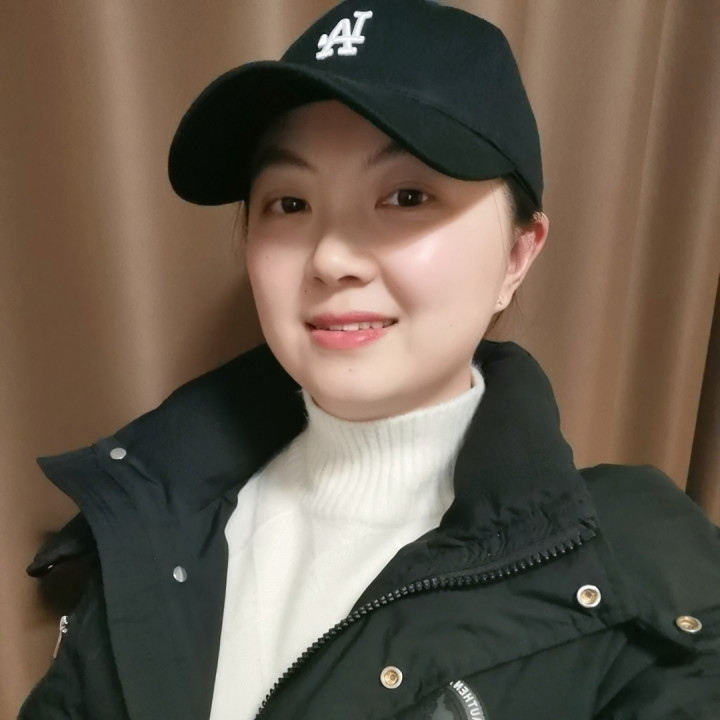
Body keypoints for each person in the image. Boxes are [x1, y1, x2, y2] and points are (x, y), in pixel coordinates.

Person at [19, 1, 720, 718]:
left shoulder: (646, 576)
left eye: (407, 196)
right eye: (290, 204)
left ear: (517, 254)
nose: (331, 258)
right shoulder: (150, 503)